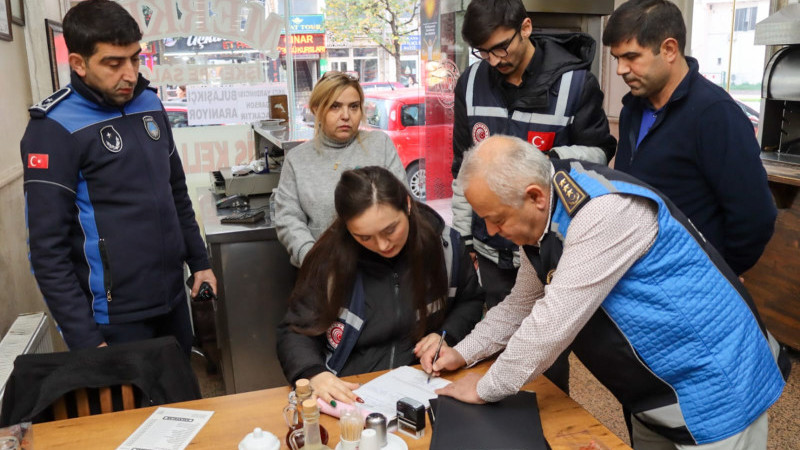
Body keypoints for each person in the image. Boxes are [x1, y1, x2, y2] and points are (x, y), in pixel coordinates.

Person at [422, 135, 788, 449]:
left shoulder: (602, 212)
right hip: (655, 391)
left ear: (533, 195)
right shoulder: (543, 212)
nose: (489, 230)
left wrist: (486, 387)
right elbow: (521, 304)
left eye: (497, 219)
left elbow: (550, 325)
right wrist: (462, 353)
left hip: (716, 385)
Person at [20, 0, 215, 355]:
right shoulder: (53, 129)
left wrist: (200, 262)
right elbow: (47, 252)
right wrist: (84, 338)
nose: (129, 74)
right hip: (113, 317)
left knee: (183, 404)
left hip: (171, 299)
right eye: (113, 63)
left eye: (135, 59)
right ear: (78, 63)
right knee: (132, 411)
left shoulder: (150, 105)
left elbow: (175, 192)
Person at [449, 0, 617, 393]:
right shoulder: (471, 83)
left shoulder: (576, 84)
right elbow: (463, 165)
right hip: (492, 247)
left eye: (501, 47)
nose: (493, 60)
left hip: (549, 245)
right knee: (496, 334)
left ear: (525, 27)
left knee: (547, 354)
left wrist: (536, 163)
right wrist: (465, 237)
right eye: (483, 51)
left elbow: (598, 157)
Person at [277, 166, 484, 405]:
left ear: (407, 204)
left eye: (390, 230)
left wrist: (444, 335)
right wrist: (313, 374)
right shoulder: (328, 261)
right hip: (351, 390)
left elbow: (470, 301)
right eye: (364, 237)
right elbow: (294, 331)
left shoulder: (445, 247)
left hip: (425, 384)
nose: (383, 245)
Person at [602, 0, 776, 276]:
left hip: (690, 285)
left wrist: (715, 274)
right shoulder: (632, 110)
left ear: (669, 49)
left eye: (631, 57)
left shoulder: (715, 114)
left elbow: (755, 218)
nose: (620, 69)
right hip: (637, 276)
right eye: (617, 58)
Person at [274, 72, 407, 267]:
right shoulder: (298, 160)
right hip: (324, 269)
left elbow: (404, 200)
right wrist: (311, 258)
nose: (346, 116)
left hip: (381, 266)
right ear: (316, 109)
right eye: (335, 106)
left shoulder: (380, 144)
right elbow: (288, 218)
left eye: (353, 107)